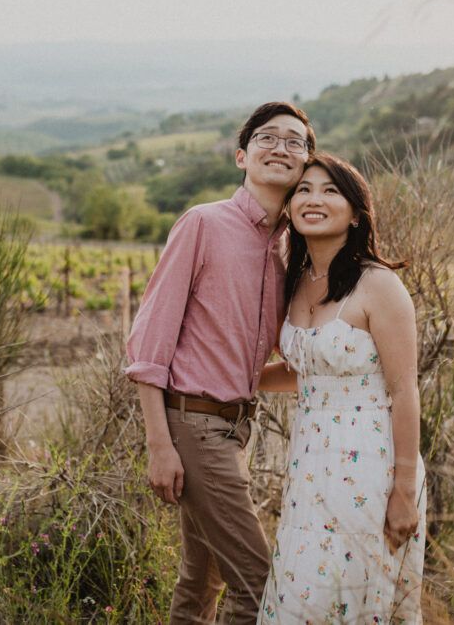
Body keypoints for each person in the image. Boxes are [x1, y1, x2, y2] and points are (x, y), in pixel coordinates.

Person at [125, 101, 316, 624]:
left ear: (306, 166)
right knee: (259, 586)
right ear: (241, 156)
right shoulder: (203, 224)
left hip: (237, 430)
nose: (281, 147)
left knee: (200, 579)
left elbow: (270, 360)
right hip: (193, 426)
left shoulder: (289, 253)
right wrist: (159, 444)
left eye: (295, 141)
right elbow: (149, 344)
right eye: (267, 138)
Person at [256, 152, 426, 623]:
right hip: (309, 469)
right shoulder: (292, 285)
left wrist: (404, 491)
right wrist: (234, 381)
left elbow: (404, 391)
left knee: (351, 600)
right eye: (304, 190)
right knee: (300, 597)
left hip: (369, 471)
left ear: (356, 213)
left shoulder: (379, 286)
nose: (314, 199)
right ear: (289, 209)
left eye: (331, 191)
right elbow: (309, 371)